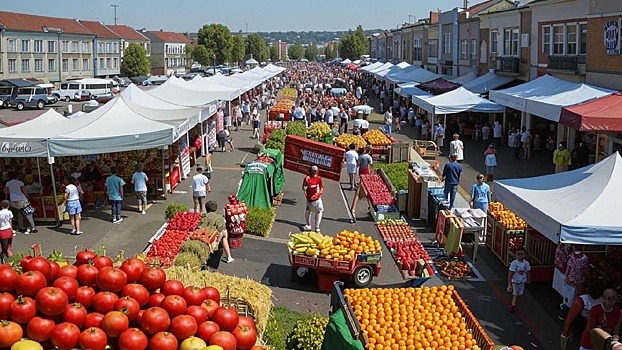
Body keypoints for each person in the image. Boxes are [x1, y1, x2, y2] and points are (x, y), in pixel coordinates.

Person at [560, 281, 604, 346]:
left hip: (597, 329)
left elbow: (570, 319)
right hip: (582, 327)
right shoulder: (582, 300)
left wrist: (565, 334)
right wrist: (565, 333)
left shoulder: (604, 300)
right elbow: (570, 318)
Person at [302, 165, 324, 232]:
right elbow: (303, 188)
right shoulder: (307, 178)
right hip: (309, 200)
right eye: (313, 171)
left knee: (319, 212)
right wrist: (307, 183)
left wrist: (318, 194)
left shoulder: (319, 179)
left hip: (317, 200)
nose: (314, 173)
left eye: (315, 171)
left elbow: (322, 188)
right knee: (307, 212)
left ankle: (317, 227)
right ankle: (308, 225)